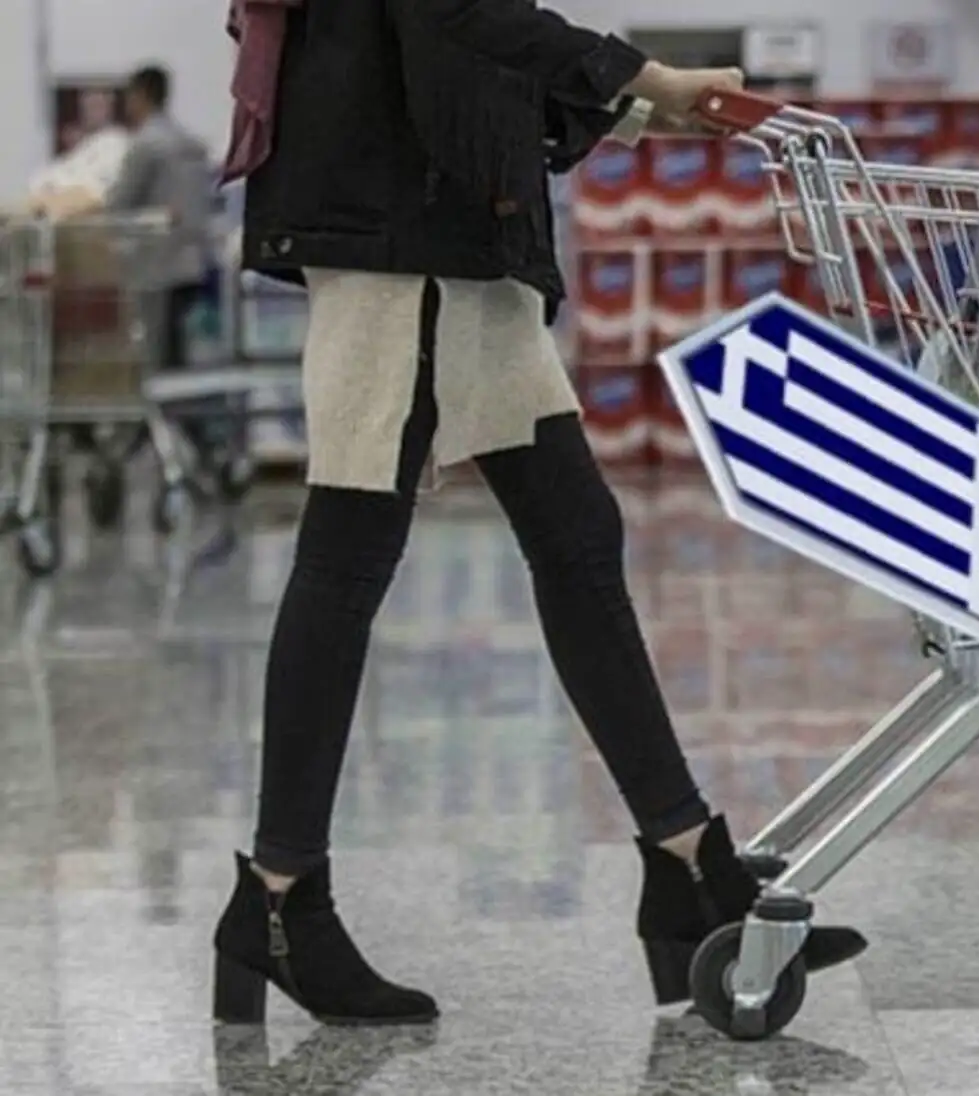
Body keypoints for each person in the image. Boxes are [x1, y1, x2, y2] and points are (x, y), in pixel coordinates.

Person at [208, 0, 866, 1026]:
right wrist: (644, 78)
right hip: (400, 245)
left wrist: (641, 112)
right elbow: (463, 15)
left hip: (458, 240)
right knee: (347, 560)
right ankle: (280, 899)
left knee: (576, 541)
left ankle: (685, 862)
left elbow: (465, 48)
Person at [104, 66, 227, 463]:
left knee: (157, 365)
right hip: (194, 265)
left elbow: (119, 203)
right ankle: (204, 445)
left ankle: (158, 442)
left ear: (141, 96)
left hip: (156, 270)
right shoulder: (190, 145)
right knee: (186, 365)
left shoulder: (146, 147)